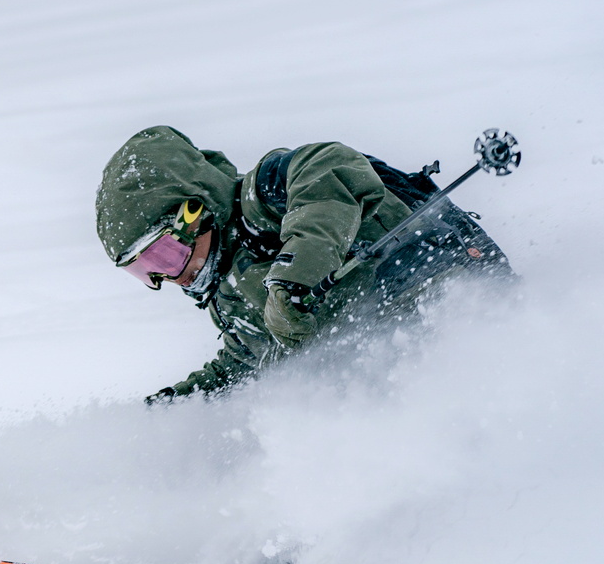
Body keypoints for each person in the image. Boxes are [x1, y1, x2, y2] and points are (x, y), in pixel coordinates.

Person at [94, 125, 512, 404]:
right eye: (145, 271)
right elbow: (244, 362)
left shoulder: (264, 198)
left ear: (194, 210)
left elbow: (327, 166)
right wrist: (184, 403)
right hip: (391, 380)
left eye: (161, 254)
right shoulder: (227, 294)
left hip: (450, 305)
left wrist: (295, 277)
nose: (168, 276)